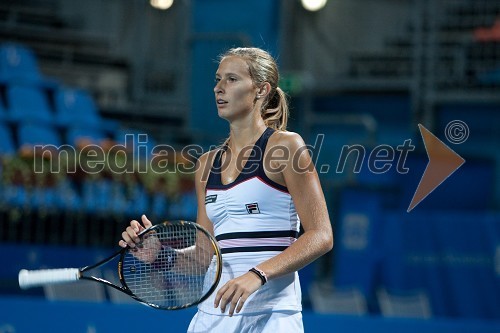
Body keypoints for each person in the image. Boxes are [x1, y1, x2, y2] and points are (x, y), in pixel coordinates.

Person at [119, 47, 333, 332]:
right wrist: (159, 254)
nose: (218, 88)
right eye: (218, 79)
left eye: (232, 79)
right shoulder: (206, 165)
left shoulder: (286, 147)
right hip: (213, 316)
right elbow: (203, 258)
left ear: (261, 90)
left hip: (272, 315)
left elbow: (321, 235)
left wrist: (258, 274)